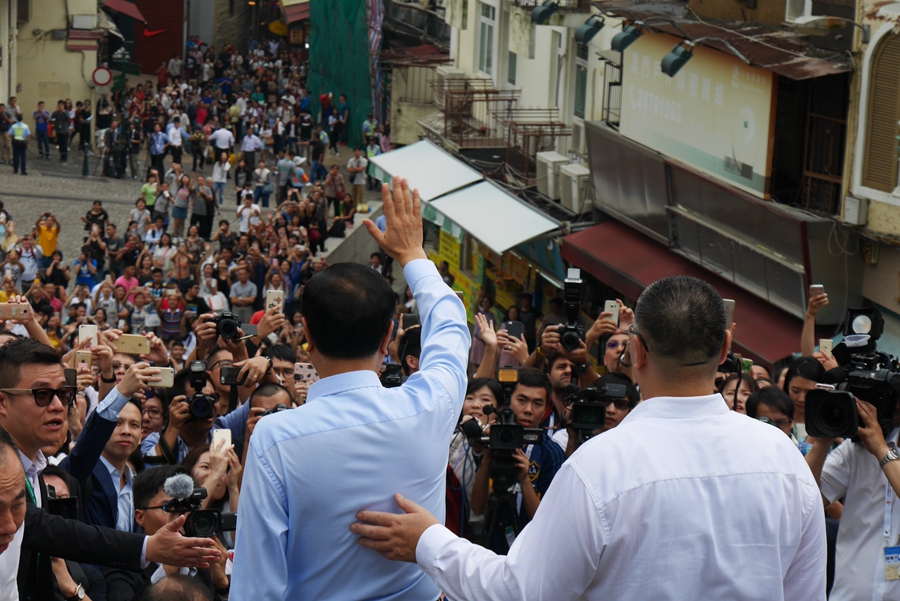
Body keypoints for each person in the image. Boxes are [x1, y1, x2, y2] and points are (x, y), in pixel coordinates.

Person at [352, 275, 826, 601]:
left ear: (636, 351)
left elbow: (521, 591)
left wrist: (428, 542)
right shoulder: (786, 461)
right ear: (725, 348)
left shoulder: (600, 467)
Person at [231, 177, 470, 600]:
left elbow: (256, 587)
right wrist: (413, 255)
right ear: (389, 337)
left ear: (306, 334)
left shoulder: (275, 437)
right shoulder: (430, 405)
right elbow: (451, 326)